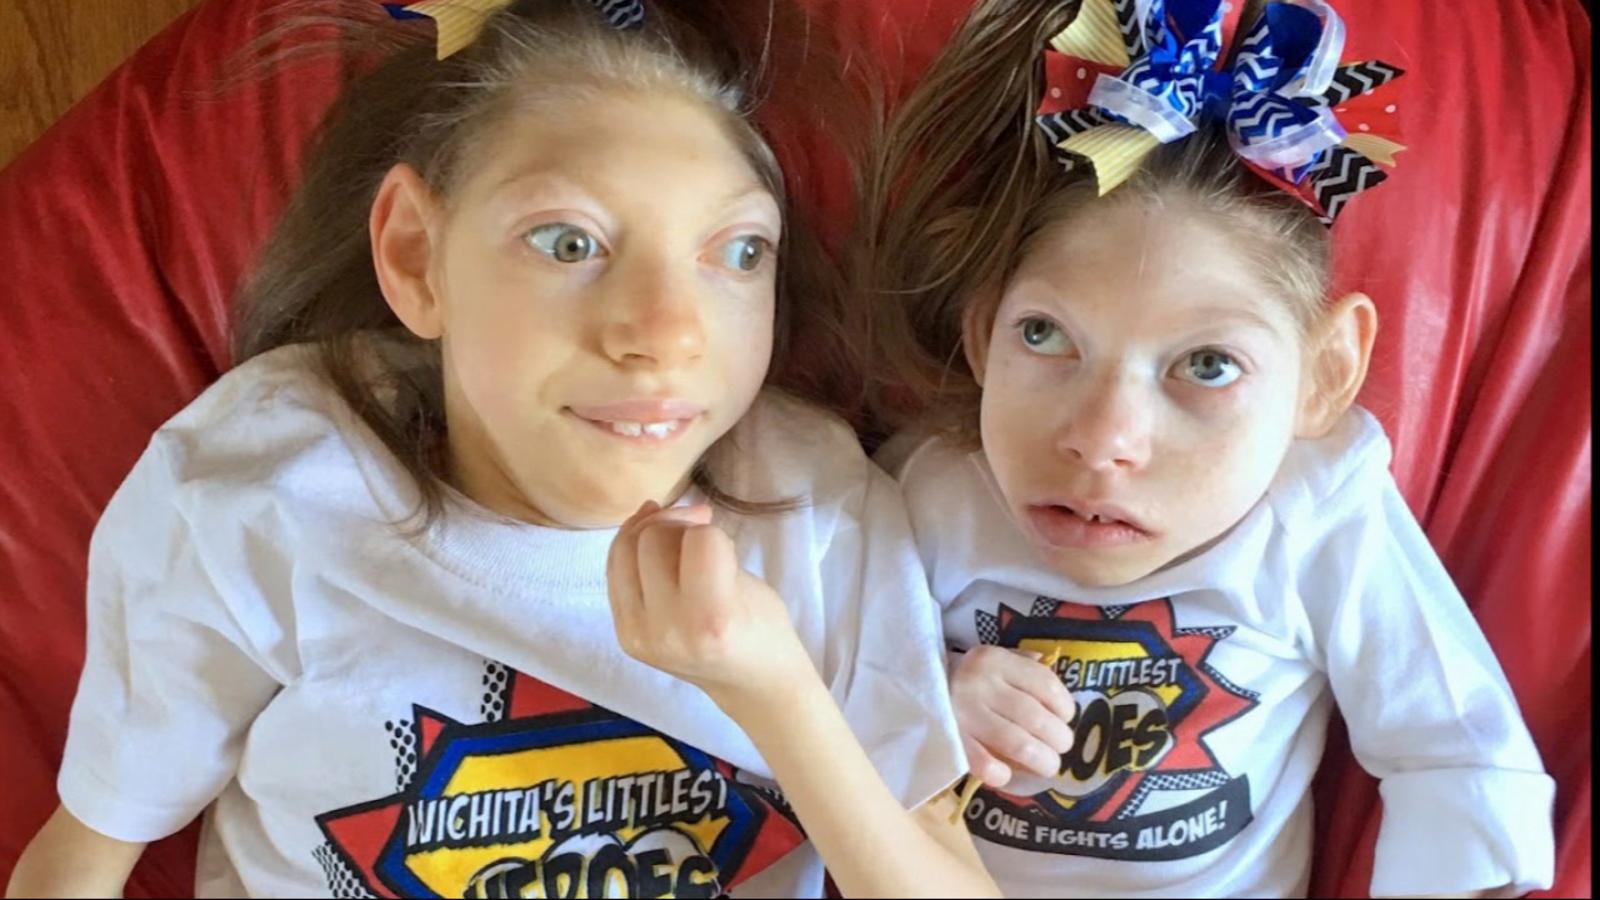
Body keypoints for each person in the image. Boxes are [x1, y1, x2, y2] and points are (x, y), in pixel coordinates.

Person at [7, 1, 998, 895]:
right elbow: (86, 852)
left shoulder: (812, 507)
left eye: (738, 253)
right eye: (569, 243)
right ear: (416, 257)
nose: (667, 335)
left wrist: (774, 691)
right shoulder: (271, 481)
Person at [865, 0, 1557, 895]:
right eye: (1044, 336)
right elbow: (808, 692)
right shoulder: (925, 491)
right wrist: (927, 705)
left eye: (1207, 365)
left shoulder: (1320, 517)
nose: (1102, 441)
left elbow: (1458, 754)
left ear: (1323, 375)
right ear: (981, 332)